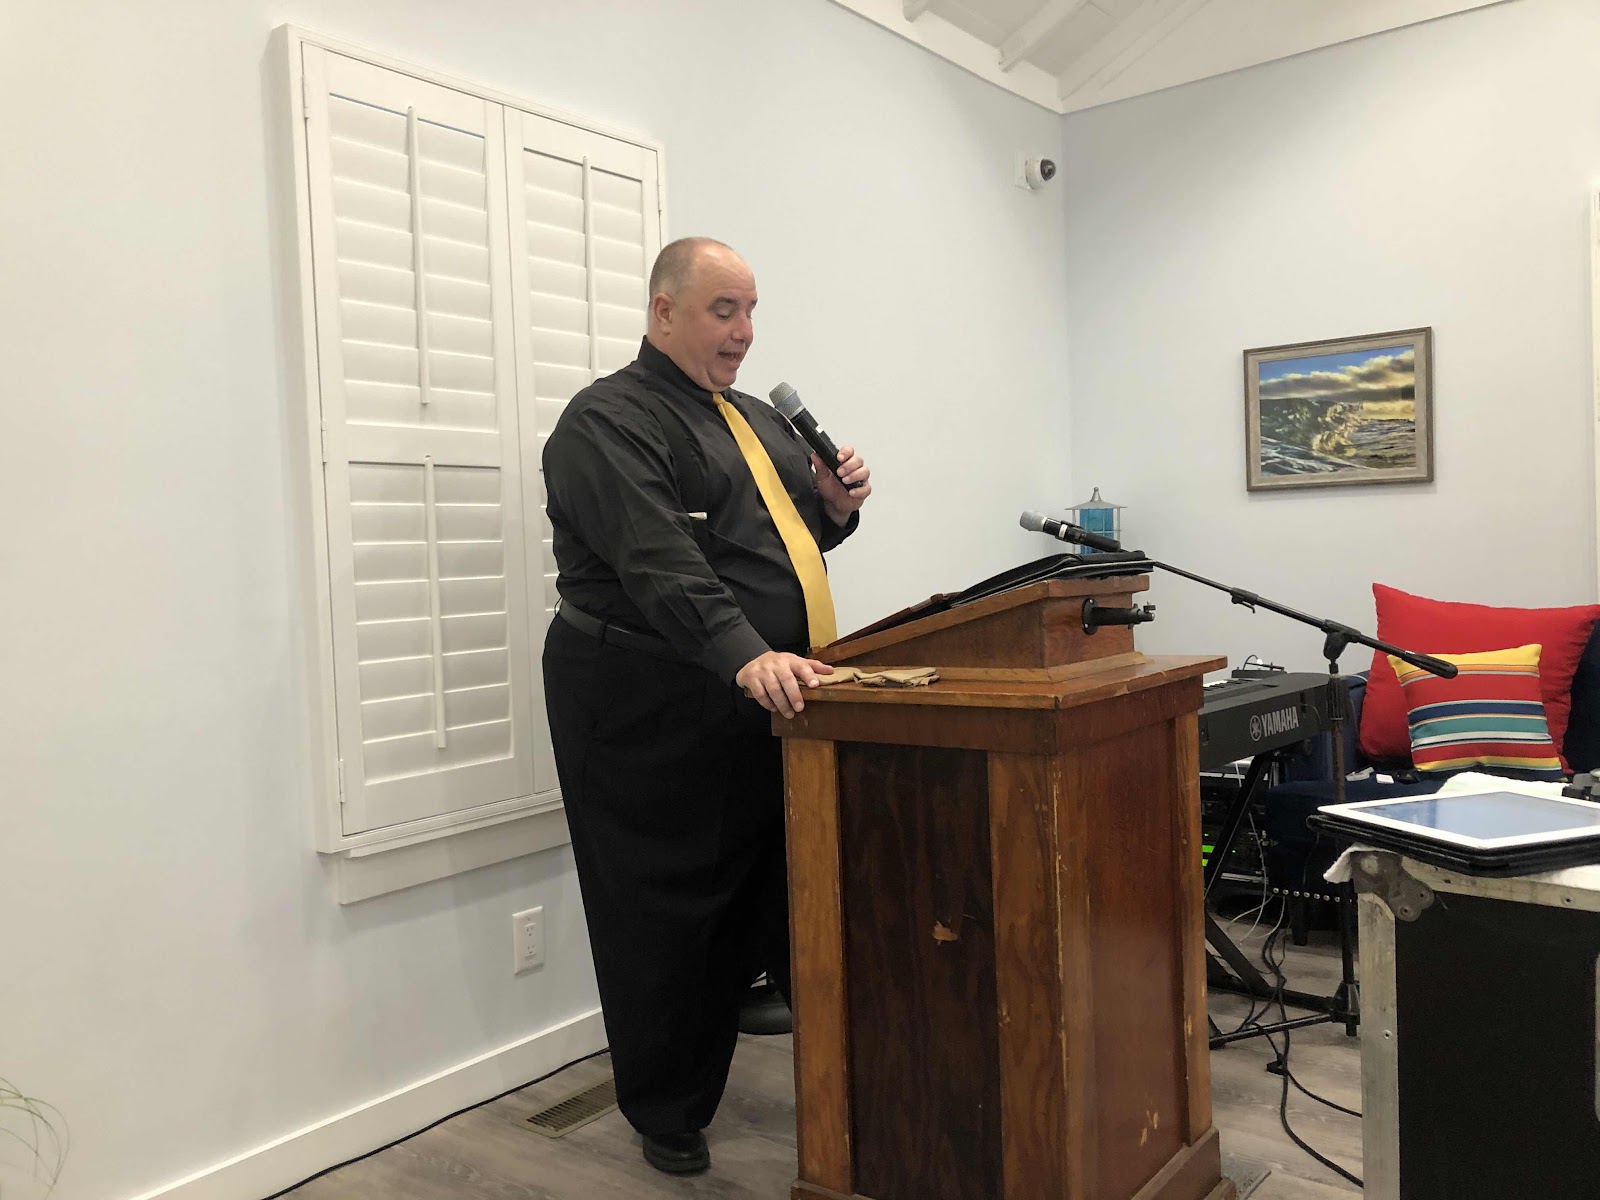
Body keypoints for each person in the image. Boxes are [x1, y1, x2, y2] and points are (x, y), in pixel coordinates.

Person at [540, 237, 872, 1175]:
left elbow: (774, 550)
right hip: (644, 701)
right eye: (724, 309)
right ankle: (667, 1109)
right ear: (664, 312)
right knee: (669, 910)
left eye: (750, 309)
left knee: (777, 879)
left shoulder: (759, 421)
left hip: (760, 692)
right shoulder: (606, 422)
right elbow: (661, 562)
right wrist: (747, 653)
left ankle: (807, 1053)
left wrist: (833, 509)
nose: (744, 330)